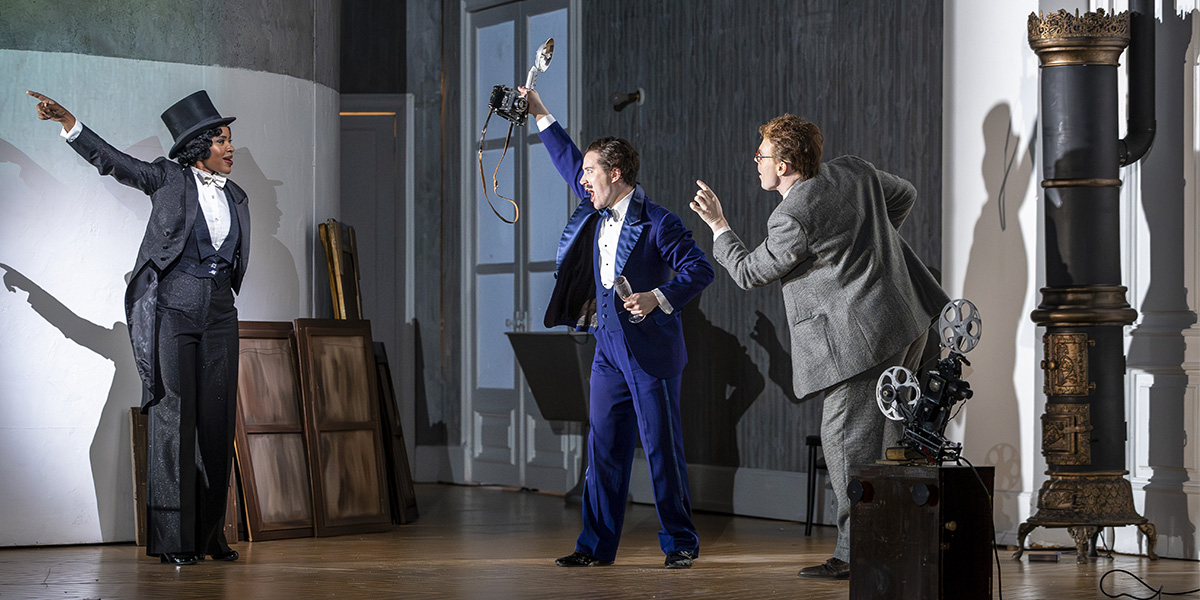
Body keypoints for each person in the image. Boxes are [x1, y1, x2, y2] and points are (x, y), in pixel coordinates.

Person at [690, 114, 948, 580]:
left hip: (861, 344)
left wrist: (718, 224)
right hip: (907, 322)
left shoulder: (791, 216)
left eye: (762, 156)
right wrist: (875, 249)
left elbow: (749, 272)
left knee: (846, 445)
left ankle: (853, 556)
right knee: (890, 445)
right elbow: (905, 193)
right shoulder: (854, 170)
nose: (757, 162)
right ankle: (886, 547)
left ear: (785, 164)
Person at [28, 90, 250, 566]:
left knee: (216, 422)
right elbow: (113, 162)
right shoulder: (167, 177)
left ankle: (211, 535)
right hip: (174, 310)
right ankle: (175, 540)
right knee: (173, 419)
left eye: (230, 140)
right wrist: (70, 122)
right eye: (223, 140)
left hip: (220, 314)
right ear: (199, 146)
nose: (231, 148)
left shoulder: (236, 195)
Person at [520, 88, 714, 569]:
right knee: (603, 449)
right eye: (583, 172)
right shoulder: (593, 208)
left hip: (651, 351)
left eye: (591, 172)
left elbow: (700, 269)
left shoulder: (657, 223)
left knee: (661, 451)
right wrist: (540, 112)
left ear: (616, 173)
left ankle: (680, 543)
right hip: (607, 348)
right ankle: (594, 547)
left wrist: (657, 297)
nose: (582, 179)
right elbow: (567, 159)